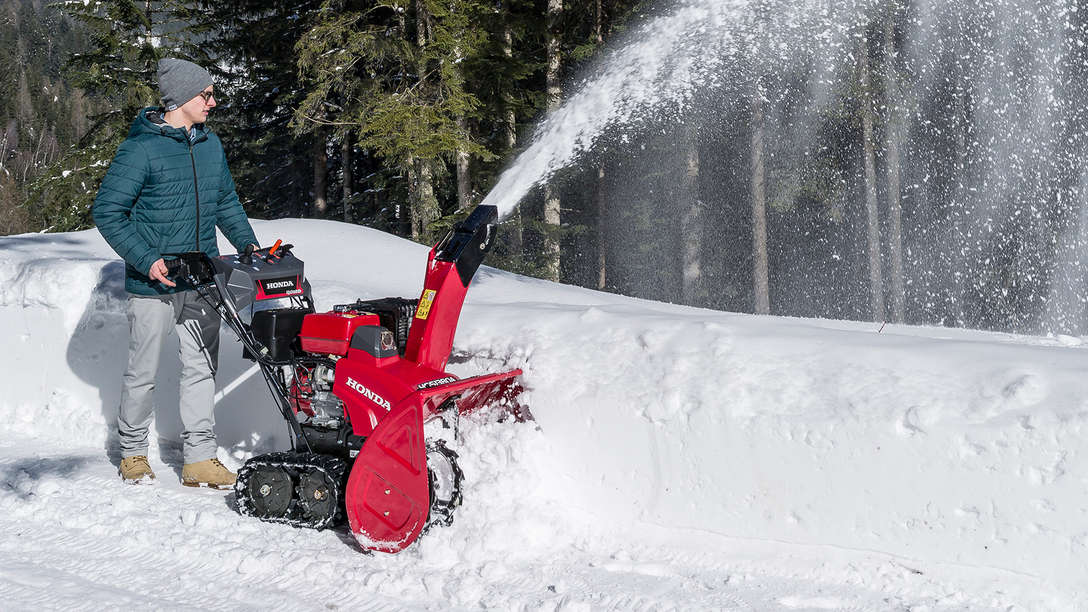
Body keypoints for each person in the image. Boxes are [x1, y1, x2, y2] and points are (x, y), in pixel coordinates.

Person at [93, 58, 258, 488]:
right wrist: (146, 258)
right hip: (155, 280)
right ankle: (132, 452)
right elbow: (109, 212)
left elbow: (226, 202)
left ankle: (200, 457)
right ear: (183, 97)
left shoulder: (210, 145)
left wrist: (248, 243)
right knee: (142, 370)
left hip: (202, 275)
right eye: (206, 94)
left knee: (201, 366)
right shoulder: (141, 148)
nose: (213, 102)